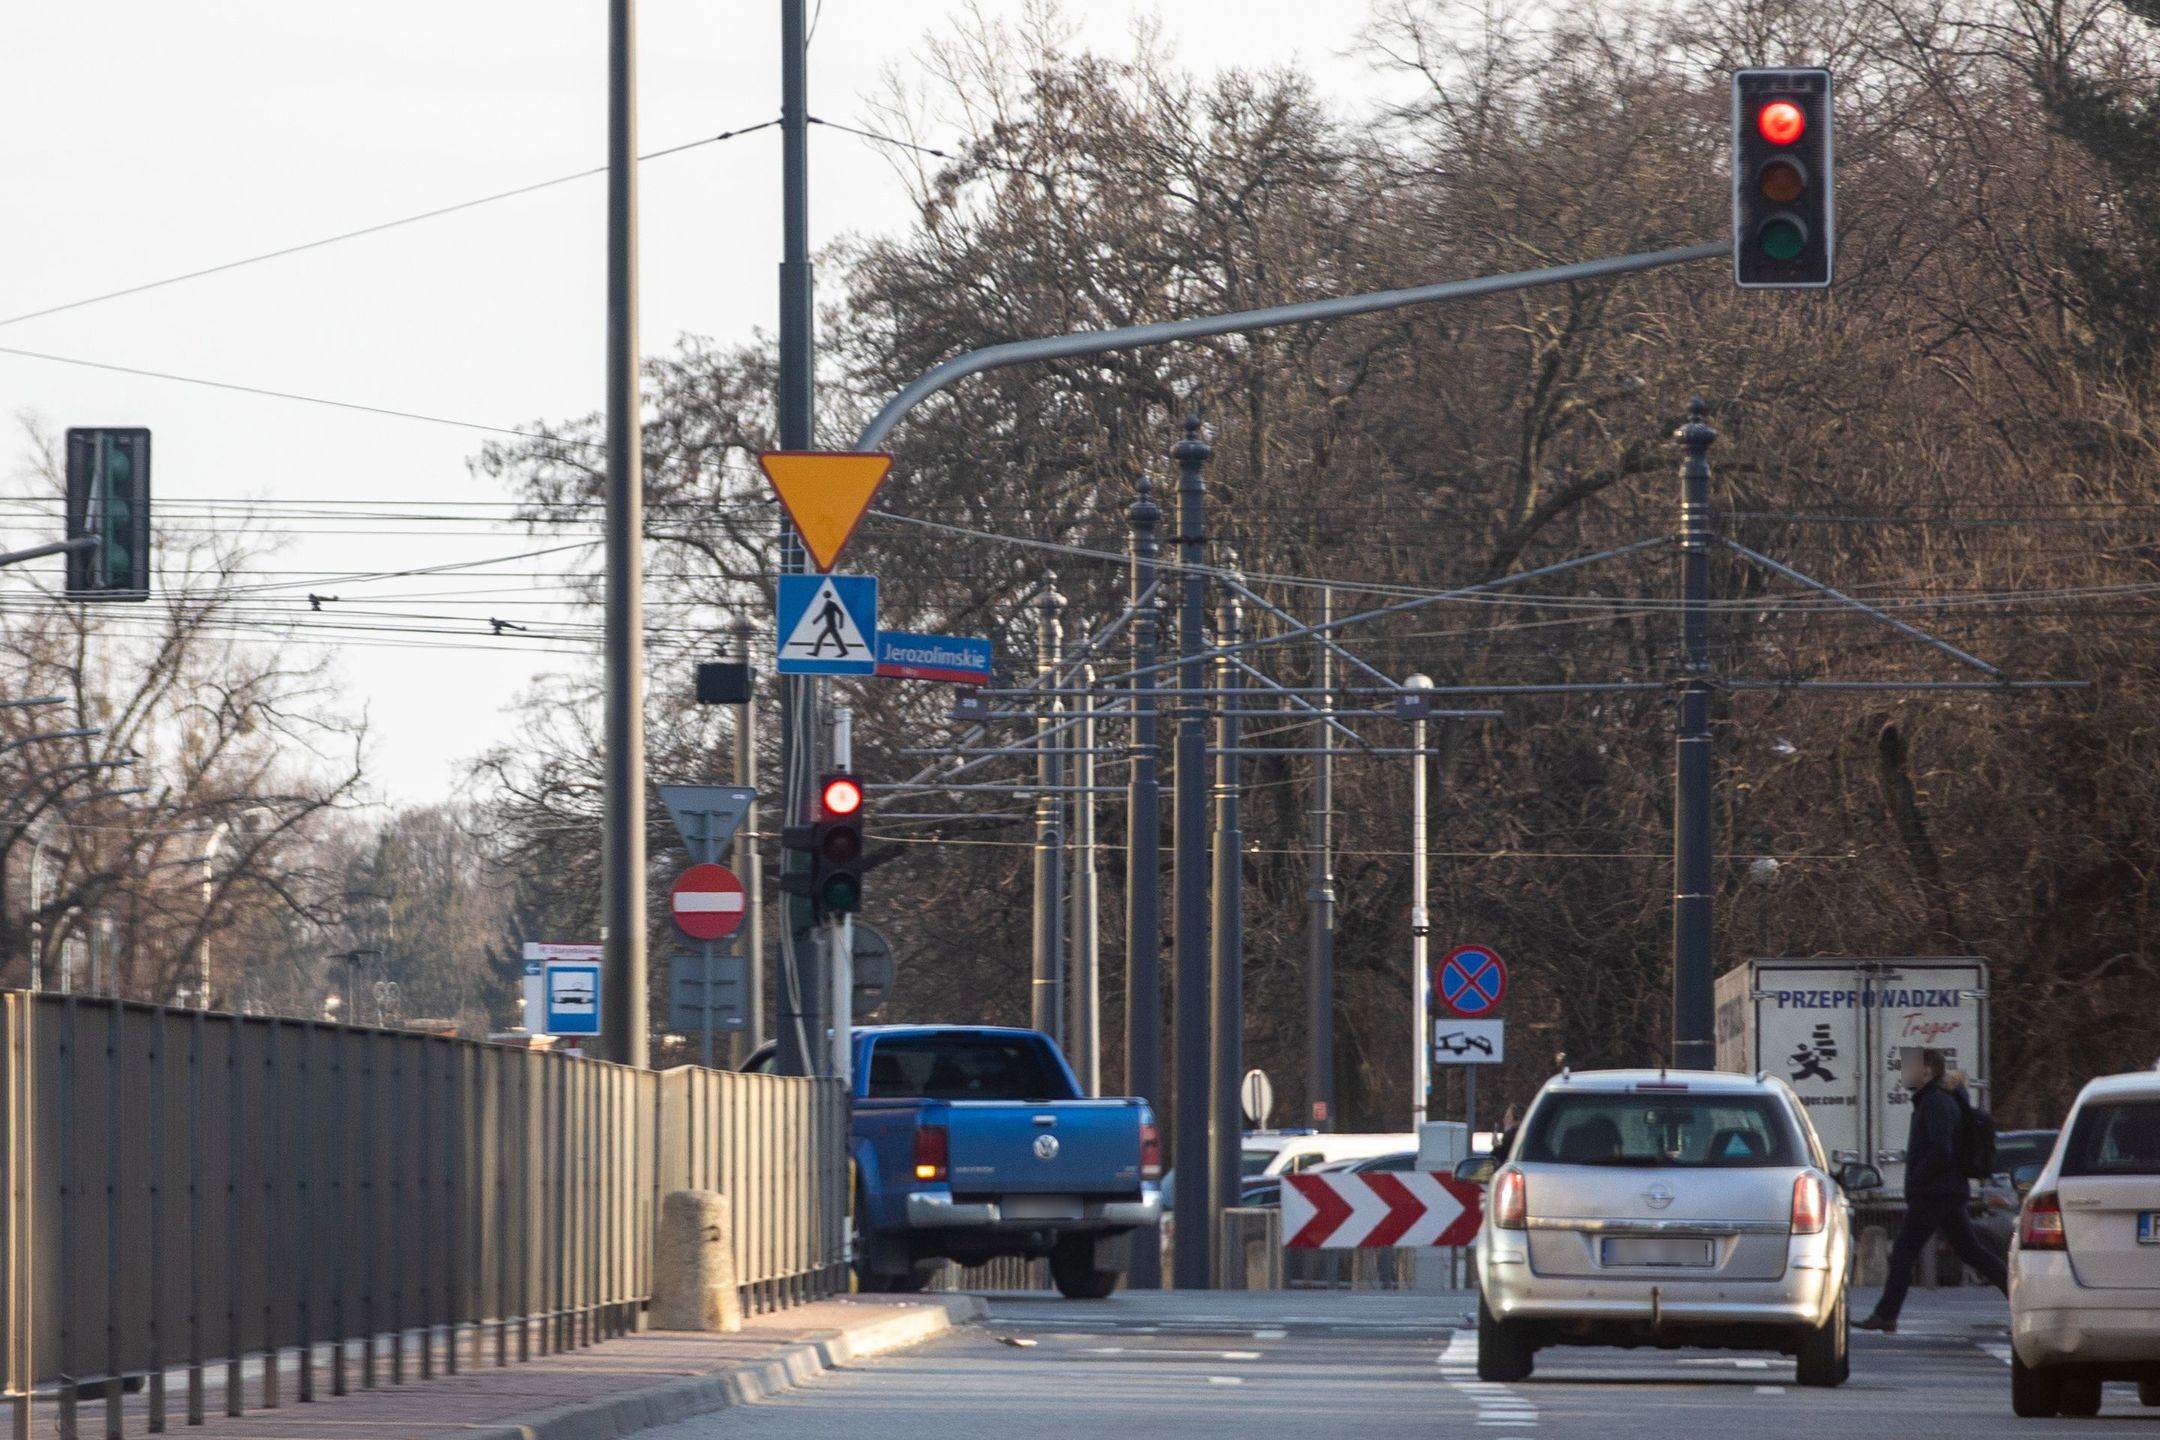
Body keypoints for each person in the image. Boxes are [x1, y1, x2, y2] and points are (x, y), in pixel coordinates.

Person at [1854, 1047, 2007, 1333]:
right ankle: (2020, 1301)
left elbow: (1941, 1149)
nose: (1905, 1075)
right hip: (1945, 1190)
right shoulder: (1937, 1099)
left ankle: (1886, 1315)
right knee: (1972, 1251)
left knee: (1904, 1251)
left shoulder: (1936, 1102)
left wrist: (1919, 1179)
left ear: (1927, 1071)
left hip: (1935, 1192)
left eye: (1910, 1069)